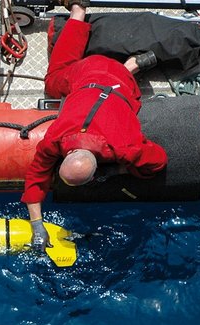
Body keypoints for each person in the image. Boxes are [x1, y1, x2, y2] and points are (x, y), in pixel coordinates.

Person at [22, 0, 168, 251]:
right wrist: (36, 225)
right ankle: (79, 14)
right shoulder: (61, 137)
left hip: (111, 78)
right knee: (54, 78)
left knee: (56, 78)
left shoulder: (121, 148)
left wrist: (118, 172)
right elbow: (156, 161)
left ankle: (130, 65)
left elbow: (159, 161)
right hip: (98, 75)